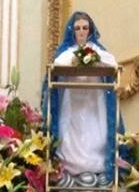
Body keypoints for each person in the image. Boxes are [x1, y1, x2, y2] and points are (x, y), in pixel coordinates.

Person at [42, 11, 121, 180]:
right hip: (73, 101)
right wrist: (76, 60)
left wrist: (94, 58)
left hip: (94, 101)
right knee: (71, 135)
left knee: (96, 132)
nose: (81, 32)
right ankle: (71, 168)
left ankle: (96, 168)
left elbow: (112, 63)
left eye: (85, 28)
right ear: (72, 31)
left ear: (90, 30)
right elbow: (57, 64)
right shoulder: (67, 52)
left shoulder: (97, 50)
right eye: (78, 28)